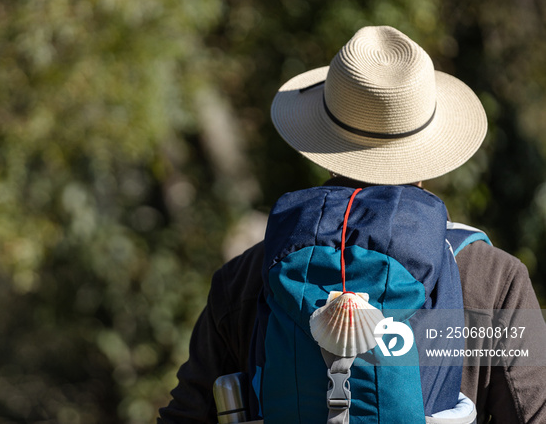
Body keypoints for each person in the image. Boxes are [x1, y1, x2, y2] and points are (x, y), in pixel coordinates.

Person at [157, 26, 546, 423]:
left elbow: (186, 415)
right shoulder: (493, 280)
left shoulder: (247, 278)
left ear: (324, 149)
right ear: (429, 150)